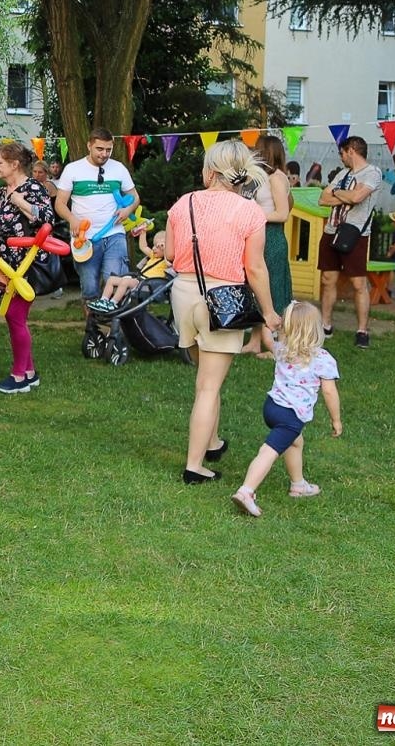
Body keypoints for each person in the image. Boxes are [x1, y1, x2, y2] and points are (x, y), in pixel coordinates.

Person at [162, 140, 281, 485]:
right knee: (208, 387)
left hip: (184, 294)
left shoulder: (183, 203)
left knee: (205, 378)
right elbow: (256, 268)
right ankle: (195, 465)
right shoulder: (250, 212)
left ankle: (212, 442)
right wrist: (269, 313)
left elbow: (169, 253)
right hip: (224, 298)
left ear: (210, 172)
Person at [231, 301, 343, 518]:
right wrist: (336, 419)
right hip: (291, 417)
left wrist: (271, 322)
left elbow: (266, 337)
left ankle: (298, 485)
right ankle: (246, 491)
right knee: (268, 452)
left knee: (296, 441)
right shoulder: (323, 359)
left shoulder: (281, 349)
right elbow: (330, 393)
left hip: (272, 408)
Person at [0, 140, 55, 395]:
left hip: (25, 264)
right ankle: (29, 372)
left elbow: (48, 219)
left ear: (15, 164)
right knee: (12, 316)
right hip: (5, 263)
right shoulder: (1, 191)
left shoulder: (32, 188)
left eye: (1, 162)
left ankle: (19, 376)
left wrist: (21, 203)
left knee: (15, 316)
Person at [54, 130, 140, 314]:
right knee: (90, 288)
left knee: (115, 280)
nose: (104, 154)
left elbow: (134, 197)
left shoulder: (118, 168)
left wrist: (127, 210)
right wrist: (72, 219)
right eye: (99, 149)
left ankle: (111, 333)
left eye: (108, 150)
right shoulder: (73, 169)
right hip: (85, 239)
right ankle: (93, 334)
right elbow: (59, 203)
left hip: (114, 233)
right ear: (89, 145)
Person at [318, 136, 384, 348]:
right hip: (331, 230)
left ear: (351, 151)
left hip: (353, 233)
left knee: (358, 283)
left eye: (342, 153)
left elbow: (357, 198)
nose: (341, 157)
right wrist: (343, 193)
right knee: (328, 279)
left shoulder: (372, 173)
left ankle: (362, 330)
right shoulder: (342, 174)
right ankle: (325, 325)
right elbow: (323, 198)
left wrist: (338, 193)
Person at [247, 134, 293, 359]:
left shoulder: (277, 178)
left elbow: (283, 214)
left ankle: (279, 347)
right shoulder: (262, 177)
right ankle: (255, 341)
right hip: (260, 235)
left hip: (272, 237)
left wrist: (253, 215)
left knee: (274, 288)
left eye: (258, 150)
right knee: (257, 288)